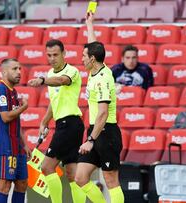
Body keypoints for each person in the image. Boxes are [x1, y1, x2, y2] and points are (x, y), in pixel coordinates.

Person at [28, 39, 86, 203]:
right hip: (66, 125)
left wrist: (42, 80)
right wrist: (45, 121)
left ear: (64, 54)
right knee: (71, 173)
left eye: (56, 55)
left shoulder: (72, 71)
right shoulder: (50, 74)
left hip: (70, 124)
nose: (52, 58)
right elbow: (55, 102)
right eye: (49, 55)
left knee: (46, 167)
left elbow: (62, 81)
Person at [74, 12, 124, 203]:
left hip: (106, 132)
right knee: (80, 178)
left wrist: (90, 140)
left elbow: (103, 113)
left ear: (92, 59)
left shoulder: (102, 79)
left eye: (84, 56)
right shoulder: (96, 69)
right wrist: (89, 24)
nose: (82, 59)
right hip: (95, 131)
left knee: (111, 180)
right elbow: (93, 45)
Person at [0, 58, 31, 203]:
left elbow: (16, 122)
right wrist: (23, 108)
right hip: (4, 146)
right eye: (14, 69)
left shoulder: (13, 92)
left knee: (22, 184)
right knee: (4, 185)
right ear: (4, 72)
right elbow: (6, 117)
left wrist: (24, 144)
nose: (19, 72)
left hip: (17, 146)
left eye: (19, 68)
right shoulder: (0, 90)